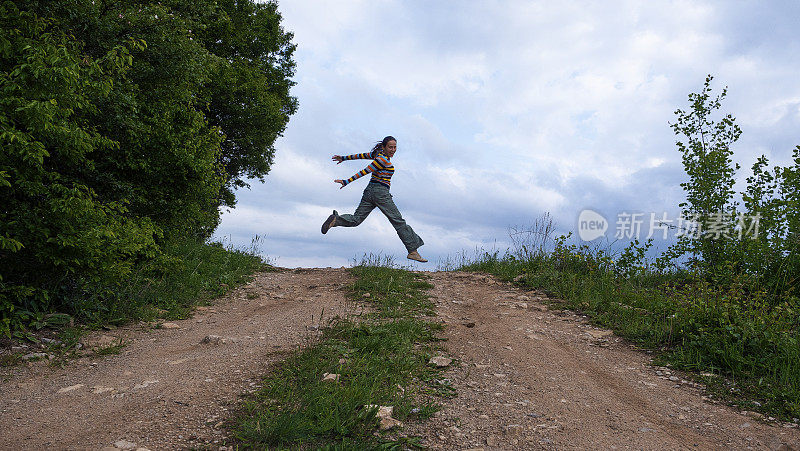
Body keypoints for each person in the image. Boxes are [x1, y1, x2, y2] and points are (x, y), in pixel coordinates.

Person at [321, 136, 427, 263]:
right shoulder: (382, 160)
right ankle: (413, 251)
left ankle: (336, 220)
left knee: (356, 219)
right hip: (380, 193)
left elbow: (361, 155)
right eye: (390, 147)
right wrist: (347, 181)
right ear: (384, 147)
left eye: (395, 147)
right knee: (398, 221)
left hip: (369, 192)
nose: (393, 150)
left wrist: (344, 158)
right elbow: (365, 171)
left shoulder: (378, 154)